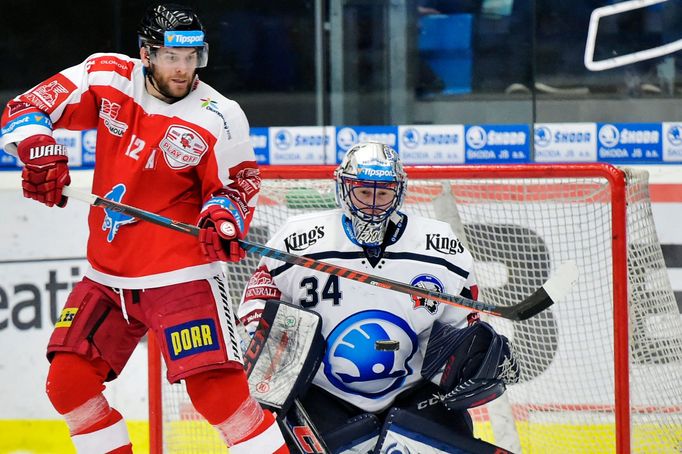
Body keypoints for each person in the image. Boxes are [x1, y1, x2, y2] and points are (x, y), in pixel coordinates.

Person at [0, 4, 287, 453]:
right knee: (69, 384)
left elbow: (240, 183)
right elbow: (28, 107)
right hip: (106, 277)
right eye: (173, 56)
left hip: (181, 278)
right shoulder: (106, 76)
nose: (184, 69)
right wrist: (38, 147)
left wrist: (223, 217)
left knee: (218, 396)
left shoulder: (220, 114)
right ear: (146, 54)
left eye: (193, 58)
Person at [237, 142, 519, 453]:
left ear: (398, 193)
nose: (373, 204)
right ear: (344, 189)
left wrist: (476, 360)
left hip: (413, 393)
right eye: (363, 192)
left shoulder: (441, 249)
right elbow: (257, 300)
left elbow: (461, 330)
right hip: (321, 397)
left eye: (383, 193)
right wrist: (263, 336)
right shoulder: (298, 239)